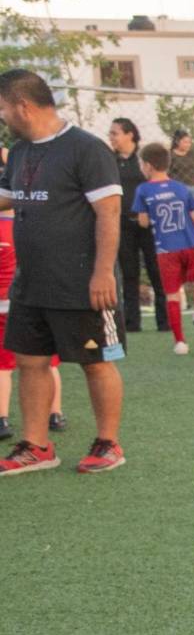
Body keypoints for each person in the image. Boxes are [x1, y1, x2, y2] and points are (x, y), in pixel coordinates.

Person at [0, 69, 127, 476]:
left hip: (82, 282)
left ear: (22, 105)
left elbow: (108, 213)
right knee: (30, 360)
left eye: (2, 108)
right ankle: (36, 445)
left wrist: (103, 273)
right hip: (31, 282)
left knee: (95, 361)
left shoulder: (85, 149)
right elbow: (9, 195)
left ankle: (108, 443)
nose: (1, 116)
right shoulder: (19, 151)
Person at [0, 158, 66, 444]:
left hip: (5, 303)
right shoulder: (32, 227)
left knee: (3, 365)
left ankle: (2, 418)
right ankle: (55, 413)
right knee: (48, 361)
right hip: (35, 299)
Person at [131, 142, 194, 354]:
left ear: (148, 166)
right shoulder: (180, 187)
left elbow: (142, 222)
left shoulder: (143, 190)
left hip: (166, 248)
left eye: (142, 163)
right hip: (189, 244)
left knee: (172, 294)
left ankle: (180, 342)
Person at [109, 117, 169, 334]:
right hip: (123, 224)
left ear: (129, 134)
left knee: (156, 270)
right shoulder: (109, 160)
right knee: (129, 273)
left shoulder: (145, 159)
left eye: (115, 133)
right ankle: (132, 324)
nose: (111, 137)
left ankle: (164, 322)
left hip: (149, 223)